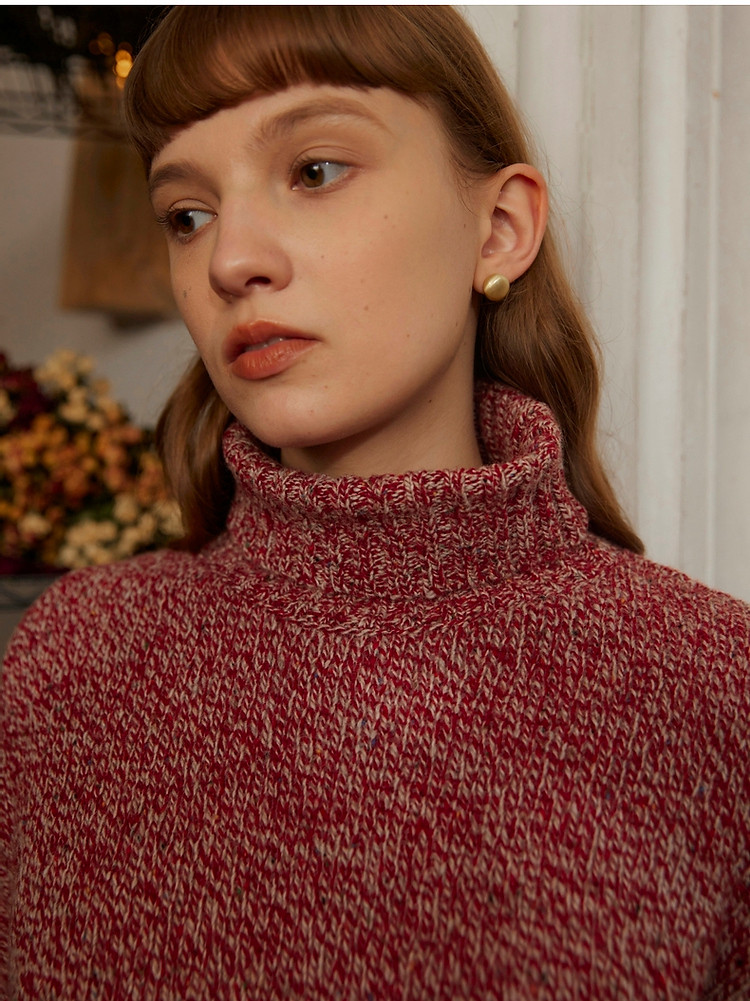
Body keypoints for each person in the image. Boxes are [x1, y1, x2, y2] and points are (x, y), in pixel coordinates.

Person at [1, 6, 748, 999]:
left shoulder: (709, 689)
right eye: (187, 215)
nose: (229, 260)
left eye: (314, 171)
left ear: (500, 227)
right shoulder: (75, 665)